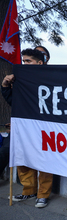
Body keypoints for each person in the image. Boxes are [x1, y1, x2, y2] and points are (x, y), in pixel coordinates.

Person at [1, 48, 53, 208]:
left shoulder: (52, 78)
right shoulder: (20, 79)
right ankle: (28, 191)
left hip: (45, 127)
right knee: (24, 159)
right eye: (23, 61)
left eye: (28, 61)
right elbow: (14, 102)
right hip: (25, 128)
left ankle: (43, 195)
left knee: (44, 161)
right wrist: (5, 86)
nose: (25, 64)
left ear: (40, 62)